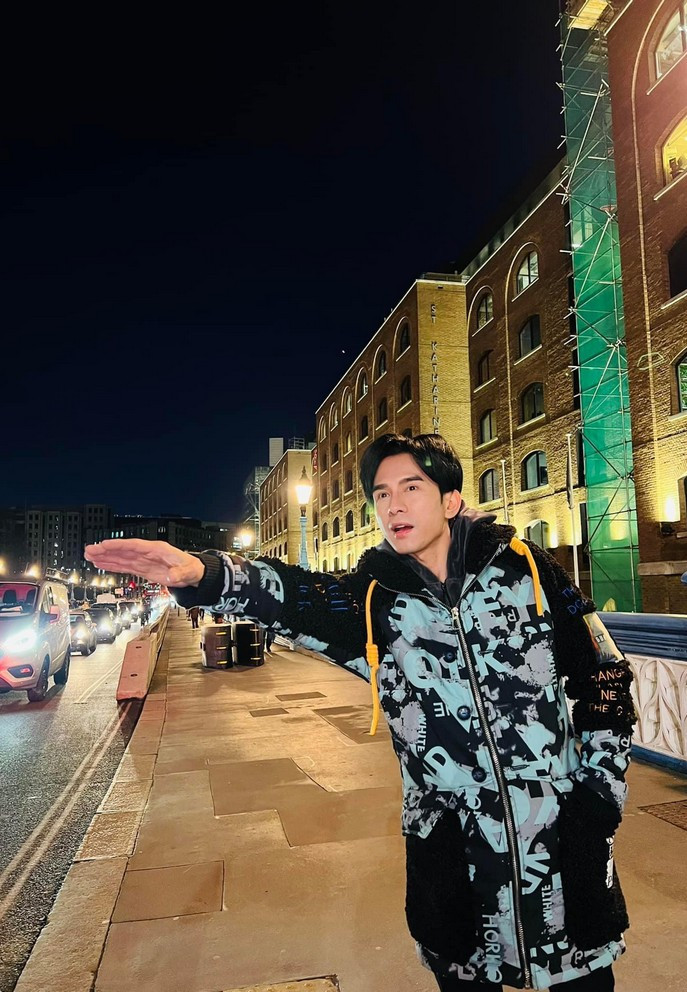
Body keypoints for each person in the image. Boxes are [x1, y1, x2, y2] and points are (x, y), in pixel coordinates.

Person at [85, 433, 635, 992]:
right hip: (454, 859)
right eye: (382, 494)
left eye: (411, 488)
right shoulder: (375, 601)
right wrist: (202, 574)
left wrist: (599, 794)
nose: (394, 505)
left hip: (563, 853)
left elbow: (604, 675)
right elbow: (295, 596)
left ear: (450, 500)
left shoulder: (530, 572)